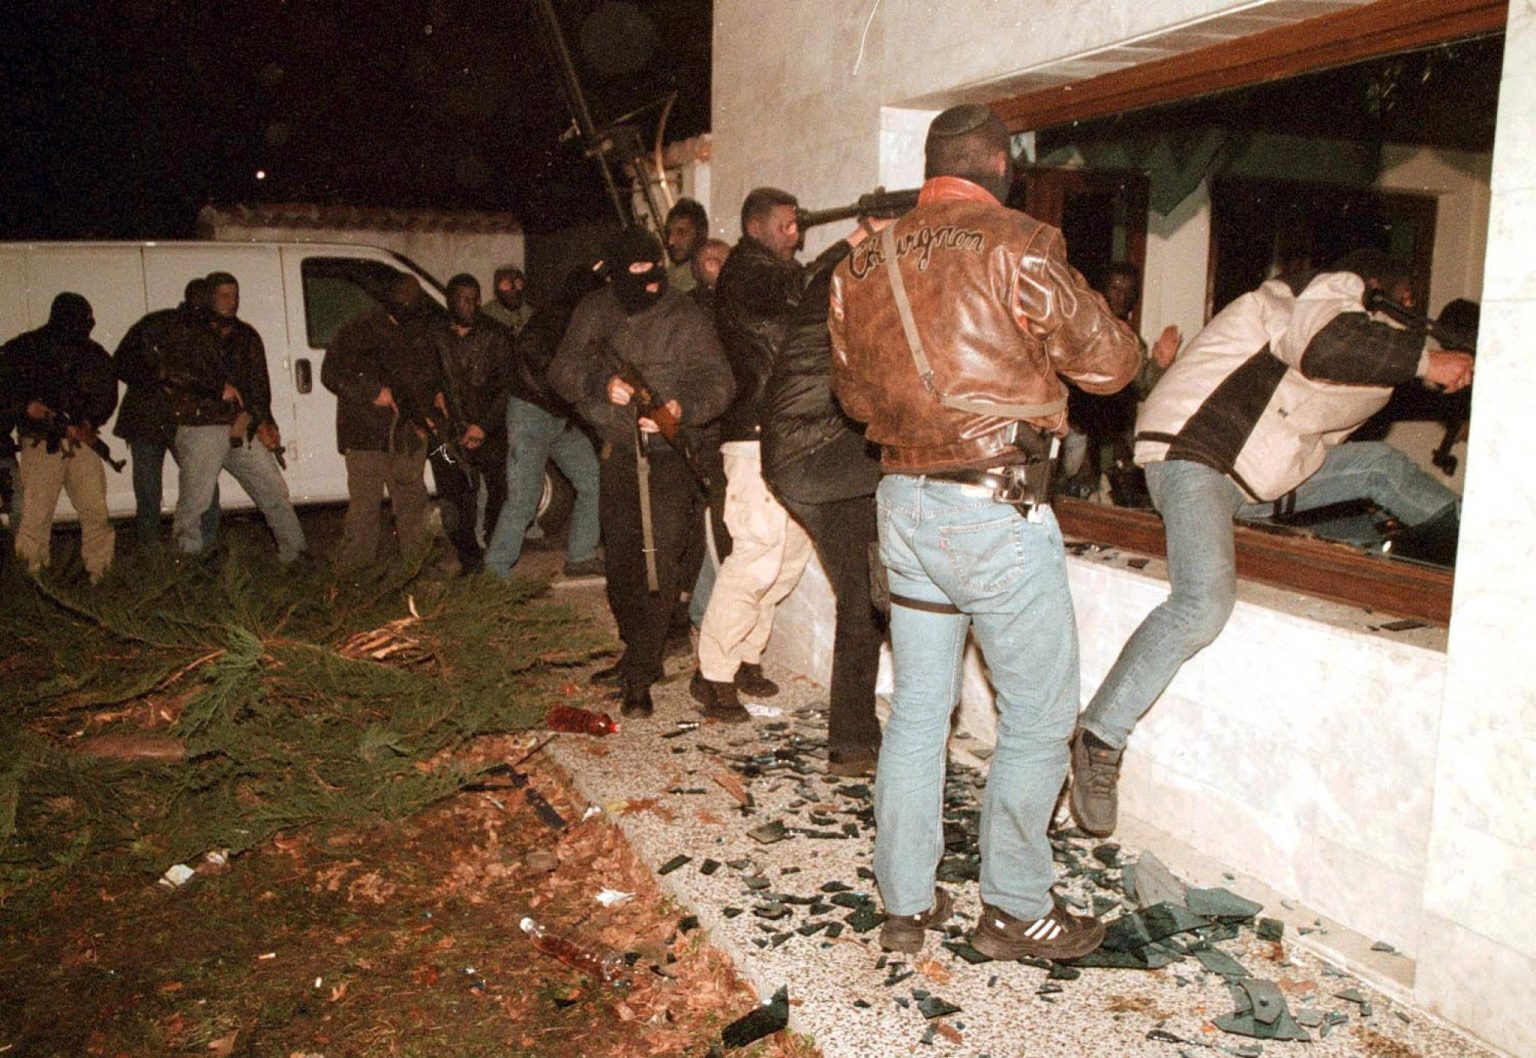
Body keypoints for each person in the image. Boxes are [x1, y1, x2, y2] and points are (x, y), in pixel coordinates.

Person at [829, 104, 1141, 960]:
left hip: (903, 505)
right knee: (1039, 720)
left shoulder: (860, 263)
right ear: (1002, 165)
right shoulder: (1022, 244)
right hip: (994, 509)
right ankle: (1014, 907)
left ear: (930, 165)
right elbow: (1110, 365)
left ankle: (904, 904)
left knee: (918, 713)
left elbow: (852, 397)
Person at [1068, 250, 1473, 840]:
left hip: (1250, 476)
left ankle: (1483, 555)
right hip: (1195, 456)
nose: (1407, 315)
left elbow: (1342, 376)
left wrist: (1434, 370)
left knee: (1381, 469)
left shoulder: (1364, 347)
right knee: (1202, 603)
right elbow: (1324, 345)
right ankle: (1099, 736)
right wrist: (1426, 361)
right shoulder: (1324, 292)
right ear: (1378, 287)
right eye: (1404, 302)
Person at [547, 228, 734, 718]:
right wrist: (600, 384)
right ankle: (635, 649)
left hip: (669, 458)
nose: (649, 281)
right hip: (618, 454)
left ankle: (642, 671)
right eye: (635, 272)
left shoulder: (685, 316)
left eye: (655, 270)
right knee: (623, 564)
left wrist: (680, 408)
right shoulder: (595, 311)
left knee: (658, 562)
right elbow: (561, 370)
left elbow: (719, 381)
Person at [762, 218, 889, 776]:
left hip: (805, 463)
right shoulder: (844, 296)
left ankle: (852, 745)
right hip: (816, 455)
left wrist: (857, 238)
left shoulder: (825, 286)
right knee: (922, 462)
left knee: (861, 599)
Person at [692, 187, 816, 715]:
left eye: (796, 224)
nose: (795, 233)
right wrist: (853, 241)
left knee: (788, 557)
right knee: (757, 556)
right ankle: (712, 673)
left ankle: (746, 656)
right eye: (785, 225)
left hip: (788, 435)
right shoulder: (743, 274)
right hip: (752, 437)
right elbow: (786, 324)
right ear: (755, 228)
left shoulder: (778, 275)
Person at [161, 272, 306, 564]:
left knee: (274, 491)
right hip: (202, 425)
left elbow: (258, 386)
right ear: (210, 297)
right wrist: (217, 387)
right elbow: (172, 373)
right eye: (224, 296)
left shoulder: (246, 335)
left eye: (235, 295)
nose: (232, 302)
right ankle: (185, 567)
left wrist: (266, 422)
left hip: (241, 426)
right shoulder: (189, 331)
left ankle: (296, 557)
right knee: (195, 503)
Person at [483, 264, 604, 580]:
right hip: (532, 413)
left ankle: (581, 555)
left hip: (557, 416)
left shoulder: (571, 317)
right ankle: (495, 572)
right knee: (523, 500)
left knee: (592, 479)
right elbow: (540, 364)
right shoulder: (556, 317)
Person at [321, 272, 440, 573]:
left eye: (412, 300)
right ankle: (353, 573)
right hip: (364, 434)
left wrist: (424, 416)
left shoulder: (417, 331)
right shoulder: (358, 329)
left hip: (403, 434)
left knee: (412, 501)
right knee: (364, 508)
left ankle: (417, 566)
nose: (408, 305)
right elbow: (331, 374)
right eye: (403, 300)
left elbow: (422, 379)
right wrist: (372, 392)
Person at [2, 293, 119, 581]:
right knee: (36, 516)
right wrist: (26, 407)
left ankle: (101, 574)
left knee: (95, 511)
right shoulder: (25, 349)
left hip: (81, 442)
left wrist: (88, 422)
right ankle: (32, 577)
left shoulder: (93, 354)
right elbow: (5, 388)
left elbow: (106, 394)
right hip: (42, 442)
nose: (89, 322)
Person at [113, 278, 220, 550]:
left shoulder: (168, 323)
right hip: (152, 417)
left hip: (170, 418)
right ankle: (185, 553)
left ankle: (188, 551)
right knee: (165, 492)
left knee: (188, 489)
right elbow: (122, 363)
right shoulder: (160, 324)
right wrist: (157, 375)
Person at [419, 274, 512, 575]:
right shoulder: (434, 335)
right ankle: (469, 559)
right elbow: (423, 377)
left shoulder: (496, 335)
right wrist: (434, 398)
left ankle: (495, 555)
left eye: (475, 299)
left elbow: (506, 388)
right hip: (449, 437)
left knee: (499, 492)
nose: (472, 305)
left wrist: (483, 426)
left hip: (489, 432)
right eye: (464, 300)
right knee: (453, 498)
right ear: (450, 301)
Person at [664, 198, 709, 294]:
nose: (671, 241)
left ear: (700, 234)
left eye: (681, 232)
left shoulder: (705, 278)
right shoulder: (668, 273)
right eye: (668, 233)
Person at [481, 264, 533, 336]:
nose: (513, 288)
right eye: (507, 284)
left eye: (518, 283)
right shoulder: (486, 314)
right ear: (497, 288)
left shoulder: (530, 314)